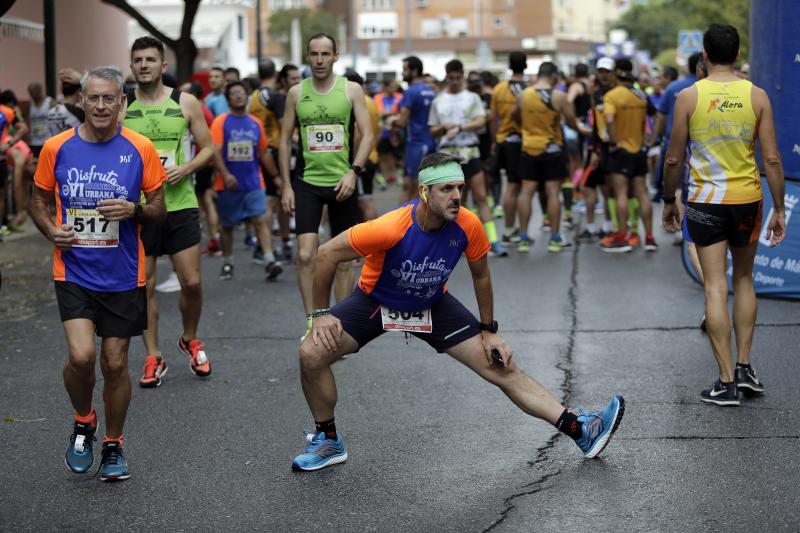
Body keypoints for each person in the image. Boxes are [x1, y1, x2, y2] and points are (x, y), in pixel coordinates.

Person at [289, 151, 625, 471]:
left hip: (432, 304)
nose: (456, 196)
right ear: (424, 192)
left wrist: (488, 329)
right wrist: (320, 314)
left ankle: (582, 430)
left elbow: (481, 275)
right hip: (376, 302)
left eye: (460, 188)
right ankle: (328, 440)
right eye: (446, 188)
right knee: (311, 353)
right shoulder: (390, 227)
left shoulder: (468, 224)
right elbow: (326, 254)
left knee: (501, 366)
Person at [29, 65, 167, 481]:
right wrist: (52, 230)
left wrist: (136, 210)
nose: (102, 105)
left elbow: (159, 208)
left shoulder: (139, 148)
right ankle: (84, 419)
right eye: (94, 98)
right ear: (81, 101)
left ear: (122, 103)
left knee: (114, 363)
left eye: (110, 98)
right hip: (72, 270)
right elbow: (38, 200)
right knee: (82, 356)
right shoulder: (56, 147)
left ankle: (113, 444)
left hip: (124, 274)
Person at [663, 24, 786, 406]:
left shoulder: (688, 96)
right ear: (736, 54)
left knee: (716, 286)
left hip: (704, 201)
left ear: (704, 53)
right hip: (747, 199)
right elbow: (771, 158)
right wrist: (780, 207)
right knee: (745, 278)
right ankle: (745, 368)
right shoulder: (757, 95)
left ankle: (725, 382)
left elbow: (673, 157)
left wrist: (669, 199)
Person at [123, 36, 216, 388]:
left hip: (179, 204)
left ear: (163, 66)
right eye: (138, 60)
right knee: (142, 287)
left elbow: (208, 148)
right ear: (131, 66)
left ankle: (190, 338)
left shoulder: (185, 102)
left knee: (191, 281)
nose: (143, 65)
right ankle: (152, 356)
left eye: (150, 59)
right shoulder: (122, 106)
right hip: (139, 210)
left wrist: (187, 168)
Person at [278, 33, 374, 337]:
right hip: (307, 183)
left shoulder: (351, 90)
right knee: (306, 255)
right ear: (308, 57)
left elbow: (368, 135)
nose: (319, 60)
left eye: (325, 54)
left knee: (344, 260)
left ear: (336, 56)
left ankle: (340, 325)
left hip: (343, 183)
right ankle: (313, 321)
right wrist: (285, 186)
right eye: (314, 54)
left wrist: (354, 172)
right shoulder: (296, 93)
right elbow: (282, 142)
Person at [429, 59, 507, 257]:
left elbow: (482, 120)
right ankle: (456, 242)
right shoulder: (438, 100)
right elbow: (432, 130)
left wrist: (462, 127)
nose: (455, 81)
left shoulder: (472, 97)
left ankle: (493, 240)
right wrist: (444, 127)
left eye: (458, 77)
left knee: (481, 197)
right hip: (447, 156)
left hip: (470, 152)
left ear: (462, 75)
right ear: (447, 77)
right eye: (451, 78)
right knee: (454, 202)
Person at [211, 80, 282, 281]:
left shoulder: (255, 122)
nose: (239, 96)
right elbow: (214, 152)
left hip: (253, 182)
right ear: (228, 99)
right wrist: (225, 174)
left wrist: (276, 177)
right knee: (227, 226)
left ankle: (269, 260)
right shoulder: (221, 121)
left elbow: (264, 153)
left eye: (242, 93)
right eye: (234, 93)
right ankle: (227, 261)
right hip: (227, 184)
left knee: (260, 220)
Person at [513, 62, 578, 253]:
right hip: (552, 149)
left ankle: (523, 238)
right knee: (552, 191)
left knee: (526, 192)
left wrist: (527, 129)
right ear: (554, 76)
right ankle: (555, 239)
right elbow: (572, 121)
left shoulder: (523, 95)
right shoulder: (559, 96)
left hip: (528, 148)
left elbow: (515, 117)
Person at [600, 58, 658, 252]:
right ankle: (649, 237)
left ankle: (622, 237)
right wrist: (650, 140)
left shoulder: (612, 95)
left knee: (621, 193)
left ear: (616, 73)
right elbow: (657, 116)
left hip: (621, 151)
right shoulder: (641, 94)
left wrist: (614, 141)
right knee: (642, 193)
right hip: (639, 150)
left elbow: (609, 118)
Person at [248, 59, 292, 262]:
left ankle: (270, 244)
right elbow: (286, 128)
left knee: (270, 201)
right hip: (274, 152)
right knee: (276, 201)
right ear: (276, 74)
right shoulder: (275, 97)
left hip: (259, 151)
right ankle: (272, 246)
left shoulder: (254, 97)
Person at [651, 53, 701, 202]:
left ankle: (674, 216)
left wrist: (655, 139)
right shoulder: (706, 89)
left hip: (672, 140)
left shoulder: (673, 87)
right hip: (699, 144)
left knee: (677, 185)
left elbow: (661, 115)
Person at [389, 56, 437, 204]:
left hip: (416, 143)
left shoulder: (410, 92)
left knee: (412, 186)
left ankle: (407, 223)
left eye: (405, 69)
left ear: (414, 71)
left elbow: (402, 121)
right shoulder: (430, 91)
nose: (402, 73)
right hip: (430, 142)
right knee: (419, 185)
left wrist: (392, 122)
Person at [491, 52, 528, 246]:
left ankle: (508, 229)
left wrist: (494, 139)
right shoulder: (529, 89)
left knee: (510, 186)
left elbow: (492, 117)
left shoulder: (499, 89)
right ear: (526, 65)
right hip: (524, 142)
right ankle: (520, 233)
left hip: (503, 141)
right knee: (521, 188)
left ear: (509, 65)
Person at [344, 70, 380, 221]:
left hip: (361, 159)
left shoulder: (354, 102)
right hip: (372, 155)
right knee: (363, 201)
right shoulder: (370, 102)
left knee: (365, 203)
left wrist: (355, 164)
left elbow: (358, 134)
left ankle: (375, 240)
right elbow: (377, 130)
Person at [0, 90, 33, 229]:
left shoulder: (8, 111)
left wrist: (9, 143)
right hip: (12, 150)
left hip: (11, 150)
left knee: (19, 179)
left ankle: (18, 214)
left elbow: (23, 128)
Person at [27, 82, 55, 159]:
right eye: (30, 92)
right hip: (34, 140)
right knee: (35, 162)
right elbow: (28, 119)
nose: (32, 95)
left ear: (40, 91)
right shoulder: (31, 104)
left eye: (33, 92)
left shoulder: (49, 102)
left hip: (47, 139)